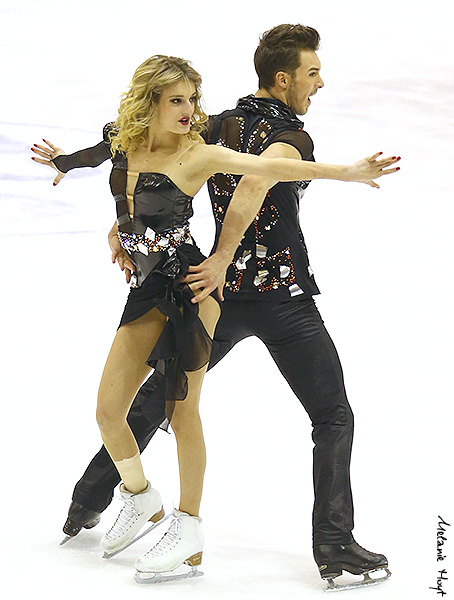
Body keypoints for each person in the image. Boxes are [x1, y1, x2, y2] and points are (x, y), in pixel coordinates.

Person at [32, 37, 399, 587]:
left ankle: (91, 498)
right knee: (331, 414)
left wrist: (133, 224)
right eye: (312, 73)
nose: (318, 84)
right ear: (283, 79)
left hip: (208, 291)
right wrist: (210, 251)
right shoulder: (288, 136)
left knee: (162, 397)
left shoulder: (217, 126)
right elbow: (243, 178)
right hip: (265, 292)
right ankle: (335, 545)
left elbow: (158, 174)